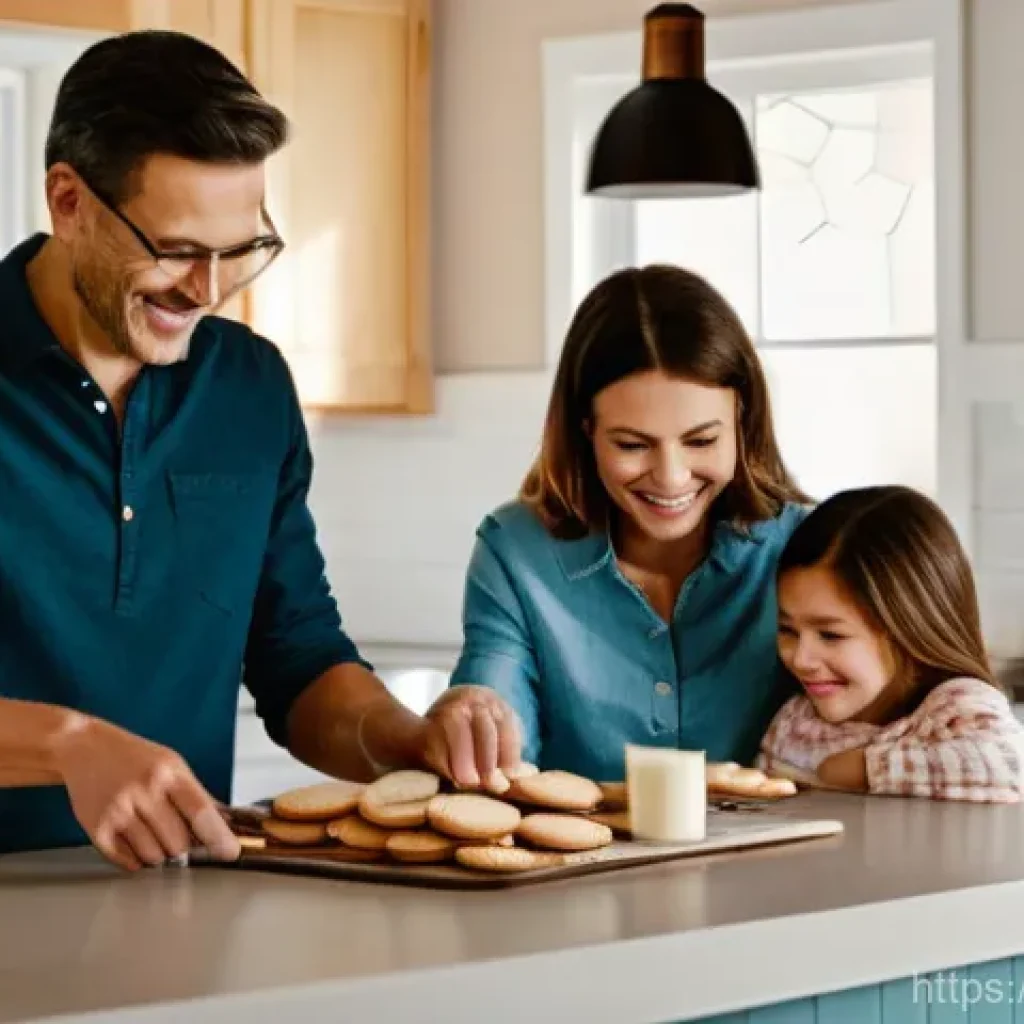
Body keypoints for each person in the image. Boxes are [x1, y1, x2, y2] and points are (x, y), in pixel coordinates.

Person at [0, 30, 519, 869]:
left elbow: (298, 659)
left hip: (180, 900)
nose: (207, 291)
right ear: (69, 202)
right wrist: (66, 744)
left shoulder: (250, 388)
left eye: (238, 251)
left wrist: (408, 739)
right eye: (176, 251)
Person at [448, 264, 811, 780]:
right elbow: (497, 739)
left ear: (742, 423)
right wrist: (470, 726)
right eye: (632, 445)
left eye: (702, 440)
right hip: (576, 837)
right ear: (586, 430)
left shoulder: (808, 547)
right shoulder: (515, 552)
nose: (671, 477)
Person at [758, 486, 1024, 803]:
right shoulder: (796, 721)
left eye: (830, 635)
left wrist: (866, 769)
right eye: (787, 630)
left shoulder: (953, 708)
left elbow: (1009, 768)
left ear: (909, 629)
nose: (801, 659)